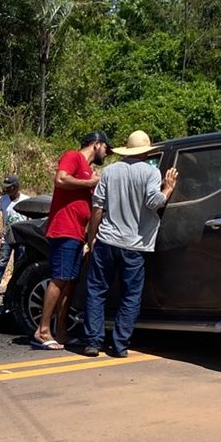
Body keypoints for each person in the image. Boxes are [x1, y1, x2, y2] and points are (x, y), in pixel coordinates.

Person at [81, 130, 178, 357]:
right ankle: (119, 345)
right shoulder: (151, 172)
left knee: (96, 291)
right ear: (146, 152)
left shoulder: (110, 171)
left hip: (106, 240)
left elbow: (98, 207)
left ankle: (93, 342)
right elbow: (154, 202)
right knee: (130, 296)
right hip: (134, 245)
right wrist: (168, 188)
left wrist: (91, 237)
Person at [32, 131, 113, 350]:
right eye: (106, 148)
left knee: (70, 282)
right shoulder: (73, 157)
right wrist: (89, 182)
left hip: (77, 233)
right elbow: (60, 179)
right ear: (96, 144)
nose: (107, 153)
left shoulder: (88, 169)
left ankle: (61, 330)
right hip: (64, 229)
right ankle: (43, 329)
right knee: (59, 278)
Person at [0, 174, 30, 297]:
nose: (6, 189)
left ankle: (15, 289)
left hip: (21, 237)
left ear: (16, 187)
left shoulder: (26, 200)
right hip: (7, 236)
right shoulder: (3, 200)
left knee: (19, 264)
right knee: (2, 262)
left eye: (9, 187)